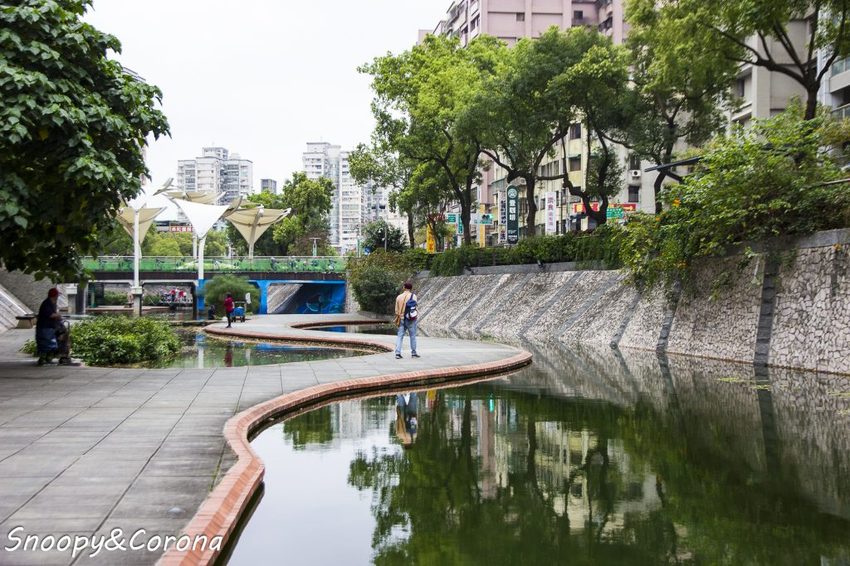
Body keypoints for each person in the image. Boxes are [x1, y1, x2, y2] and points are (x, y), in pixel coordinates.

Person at [35, 288, 71, 366]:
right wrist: (58, 316)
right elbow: (51, 315)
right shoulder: (47, 303)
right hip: (45, 327)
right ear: (55, 296)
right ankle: (44, 359)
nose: (58, 297)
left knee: (54, 342)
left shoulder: (52, 303)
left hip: (50, 327)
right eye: (57, 295)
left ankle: (48, 358)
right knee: (46, 344)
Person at [394, 281, 419, 359]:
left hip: (401, 318)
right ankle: (414, 353)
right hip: (411, 319)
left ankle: (398, 353)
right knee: (412, 336)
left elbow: (396, 310)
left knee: (400, 336)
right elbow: (415, 307)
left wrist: (400, 315)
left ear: (404, 287)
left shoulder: (399, 297)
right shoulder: (413, 296)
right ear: (411, 288)